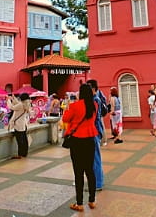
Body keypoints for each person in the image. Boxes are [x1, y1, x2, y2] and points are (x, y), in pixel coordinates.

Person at [62, 84, 99, 212]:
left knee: (78, 172)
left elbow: (65, 118)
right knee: (90, 170)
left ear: (81, 93)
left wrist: (67, 107)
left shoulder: (75, 105)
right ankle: (92, 201)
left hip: (77, 140)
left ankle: (79, 203)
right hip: (90, 139)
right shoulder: (94, 105)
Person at [86, 79, 106, 191]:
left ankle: (97, 183)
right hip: (96, 130)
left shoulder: (94, 100)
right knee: (94, 157)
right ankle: (98, 180)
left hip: (94, 130)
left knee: (95, 157)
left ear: (93, 88)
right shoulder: (95, 99)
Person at [7, 93, 31, 159]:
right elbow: (17, 104)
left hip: (18, 125)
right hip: (23, 124)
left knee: (20, 140)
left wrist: (8, 100)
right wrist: (13, 98)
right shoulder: (26, 104)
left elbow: (12, 107)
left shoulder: (21, 105)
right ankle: (24, 153)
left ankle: (20, 154)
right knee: (24, 139)